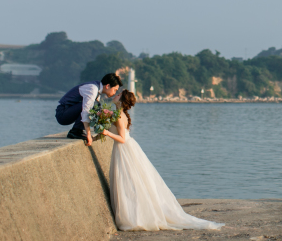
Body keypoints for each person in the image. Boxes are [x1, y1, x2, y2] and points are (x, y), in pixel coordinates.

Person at [101, 90, 224, 232]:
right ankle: (135, 214)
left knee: (128, 182)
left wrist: (106, 132)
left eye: (118, 95)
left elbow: (122, 139)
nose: (115, 95)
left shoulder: (119, 116)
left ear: (122, 101)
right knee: (132, 182)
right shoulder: (119, 114)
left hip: (123, 149)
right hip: (127, 149)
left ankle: (134, 217)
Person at [55, 73, 122, 145]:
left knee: (97, 106)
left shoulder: (97, 90)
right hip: (62, 113)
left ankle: (78, 130)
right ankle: (75, 131)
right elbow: (86, 111)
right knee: (93, 106)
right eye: (115, 90)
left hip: (68, 111)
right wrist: (89, 135)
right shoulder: (93, 89)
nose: (115, 93)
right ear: (107, 86)